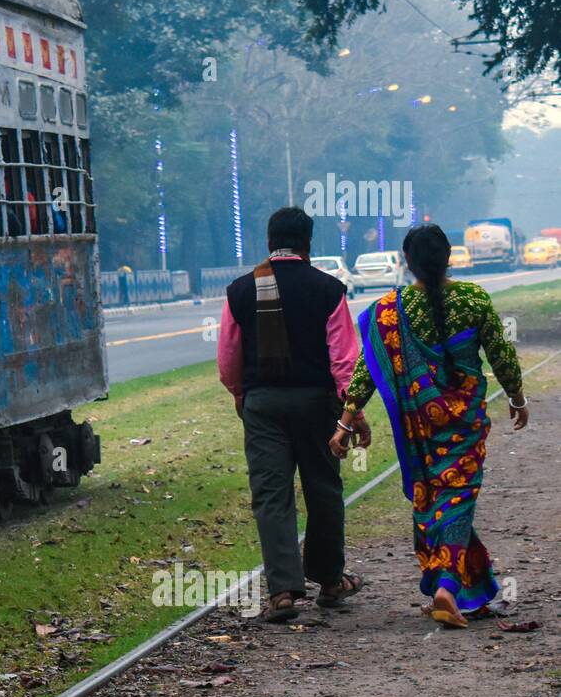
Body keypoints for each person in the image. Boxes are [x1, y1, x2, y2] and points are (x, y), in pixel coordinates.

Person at [331, 224, 528, 628]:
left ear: (407, 262)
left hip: (420, 431)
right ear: (450, 257)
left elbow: (367, 371)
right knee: (458, 501)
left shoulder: (389, 311)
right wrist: (517, 397)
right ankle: (447, 589)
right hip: (466, 424)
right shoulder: (473, 298)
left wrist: (345, 421)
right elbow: (501, 354)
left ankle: (466, 588)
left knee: (436, 501)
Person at [219, 207, 367, 622]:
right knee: (323, 489)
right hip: (317, 403)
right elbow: (344, 361)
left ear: (269, 243)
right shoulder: (328, 289)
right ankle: (330, 580)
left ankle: (282, 591)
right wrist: (351, 409)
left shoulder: (241, 291)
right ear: (308, 244)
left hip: (262, 406)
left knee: (271, 494)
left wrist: (239, 394)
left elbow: (229, 356)